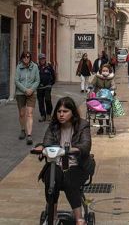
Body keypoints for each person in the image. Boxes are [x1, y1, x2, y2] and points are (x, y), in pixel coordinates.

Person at [36, 97, 94, 225]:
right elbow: (47, 142)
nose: (61, 114)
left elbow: (86, 145)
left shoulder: (82, 125)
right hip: (56, 165)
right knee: (52, 178)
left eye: (65, 111)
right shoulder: (53, 126)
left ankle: (79, 218)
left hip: (77, 165)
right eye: (59, 111)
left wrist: (73, 149)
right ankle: (53, 217)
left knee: (69, 179)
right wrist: (42, 148)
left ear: (72, 112)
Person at [15, 51, 40, 145]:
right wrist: (25, 90)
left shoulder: (35, 67)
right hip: (20, 93)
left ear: (30, 58)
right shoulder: (19, 67)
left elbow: (37, 81)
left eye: (28, 57)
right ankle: (22, 130)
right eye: (24, 57)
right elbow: (16, 81)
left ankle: (29, 135)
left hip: (32, 93)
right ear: (22, 58)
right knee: (22, 113)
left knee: (29, 113)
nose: (26, 59)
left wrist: (31, 90)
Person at [91, 64, 116, 135]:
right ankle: (101, 127)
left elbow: (113, 84)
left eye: (106, 70)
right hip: (98, 96)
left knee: (108, 111)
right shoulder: (97, 76)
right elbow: (93, 83)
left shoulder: (111, 77)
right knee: (99, 111)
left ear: (109, 71)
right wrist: (90, 87)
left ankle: (108, 126)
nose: (105, 72)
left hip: (107, 96)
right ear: (101, 71)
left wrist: (112, 88)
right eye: (103, 70)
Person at [37, 54, 56, 122]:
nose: (42, 60)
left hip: (47, 86)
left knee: (48, 100)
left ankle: (48, 115)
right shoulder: (37, 67)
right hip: (39, 87)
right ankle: (43, 116)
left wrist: (51, 83)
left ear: (45, 59)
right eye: (41, 59)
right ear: (39, 60)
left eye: (43, 59)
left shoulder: (49, 67)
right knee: (40, 102)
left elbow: (53, 75)